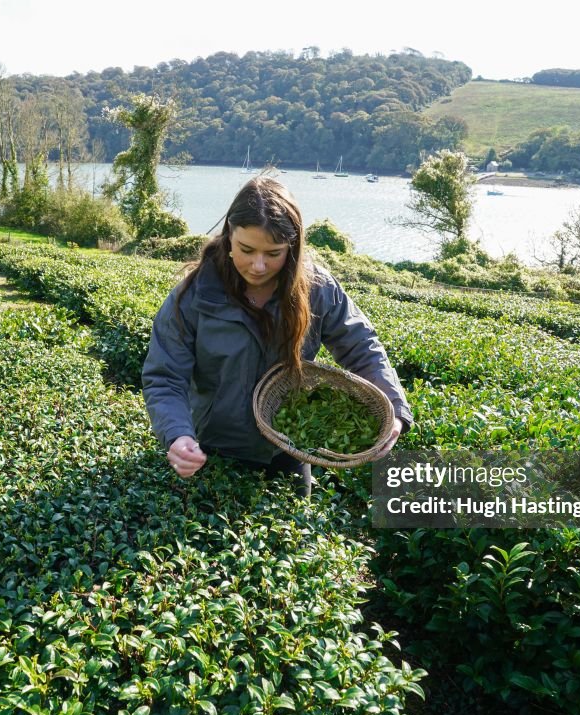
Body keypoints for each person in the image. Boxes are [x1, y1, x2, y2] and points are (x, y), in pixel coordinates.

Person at [141, 176, 413, 497]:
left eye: (273, 253)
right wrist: (177, 435)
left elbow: (362, 348)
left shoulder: (317, 289)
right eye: (246, 249)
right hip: (212, 449)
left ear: (293, 247)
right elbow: (165, 376)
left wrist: (394, 410)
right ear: (229, 235)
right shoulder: (195, 295)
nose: (258, 265)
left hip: (288, 451)